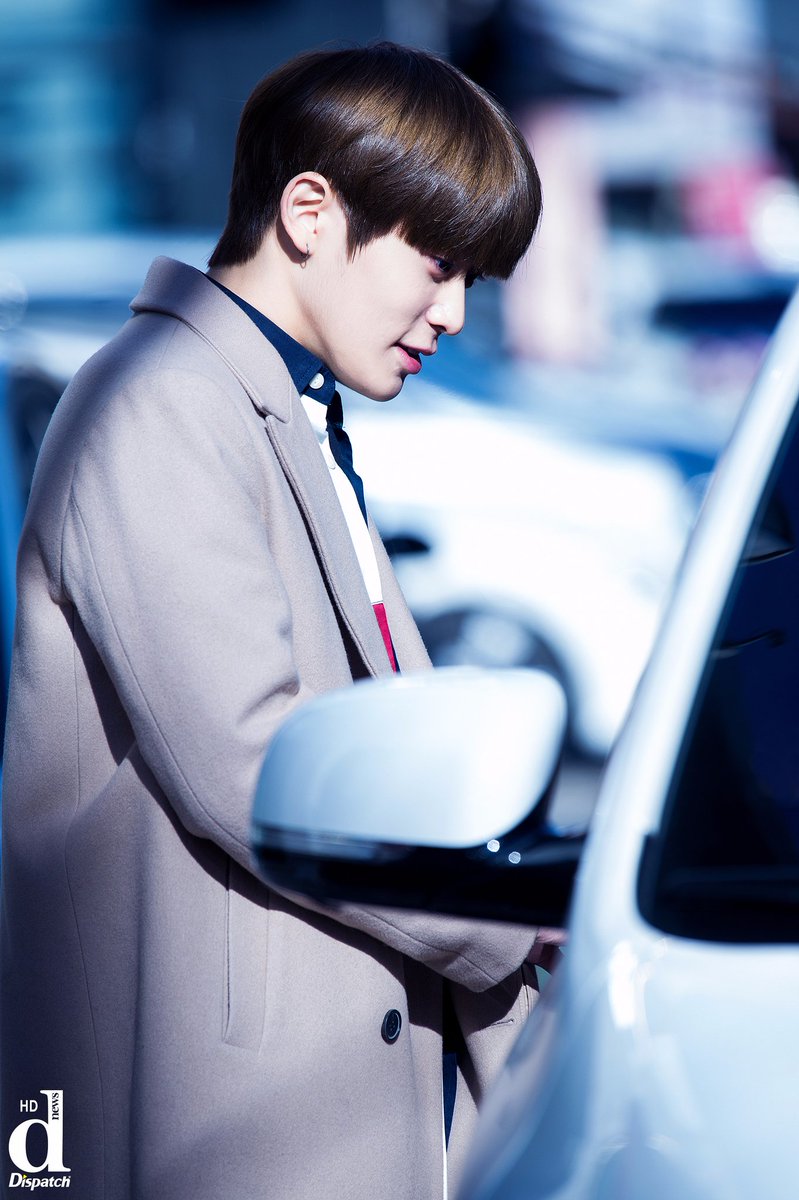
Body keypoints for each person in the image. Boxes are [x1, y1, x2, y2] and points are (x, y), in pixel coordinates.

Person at [1, 42, 544, 1200]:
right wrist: (502, 917)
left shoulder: (281, 410)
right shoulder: (160, 399)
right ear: (309, 212)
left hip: (316, 1105)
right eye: (438, 262)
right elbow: (262, 771)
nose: (453, 312)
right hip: (231, 1123)